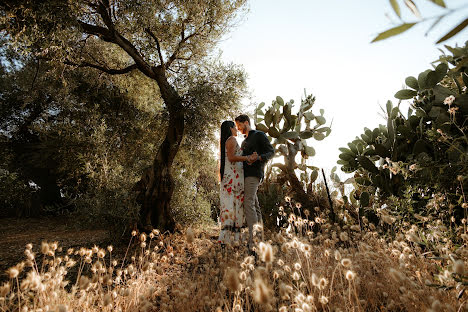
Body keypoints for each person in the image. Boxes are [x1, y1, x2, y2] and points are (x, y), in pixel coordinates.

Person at [234, 114, 274, 254]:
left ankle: (253, 242)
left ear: (246, 122)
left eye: (239, 125)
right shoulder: (244, 140)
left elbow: (271, 151)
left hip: (254, 174)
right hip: (245, 175)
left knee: (248, 203)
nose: (238, 129)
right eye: (237, 126)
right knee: (255, 207)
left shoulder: (259, 135)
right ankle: (260, 241)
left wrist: (260, 157)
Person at [218, 120, 257, 245]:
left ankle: (230, 240)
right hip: (233, 180)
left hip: (232, 178)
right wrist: (247, 158)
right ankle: (229, 240)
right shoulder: (232, 140)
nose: (236, 129)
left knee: (232, 206)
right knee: (233, 206)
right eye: (234, 127)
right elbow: (231, 158)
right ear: (230, 128)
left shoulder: (229, 140)